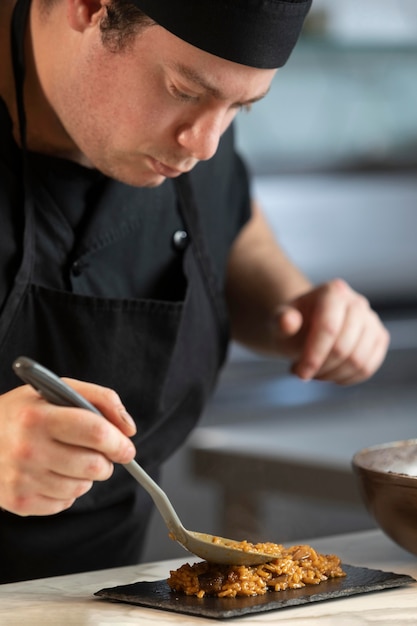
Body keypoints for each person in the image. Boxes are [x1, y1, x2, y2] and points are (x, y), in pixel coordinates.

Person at [0, 0, 389, 584]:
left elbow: (237, 239)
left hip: (93, 601)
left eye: (242, 107)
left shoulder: (195, 132)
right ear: (88, 8)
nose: (204, 143)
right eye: (183, 90)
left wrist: (297, 308)